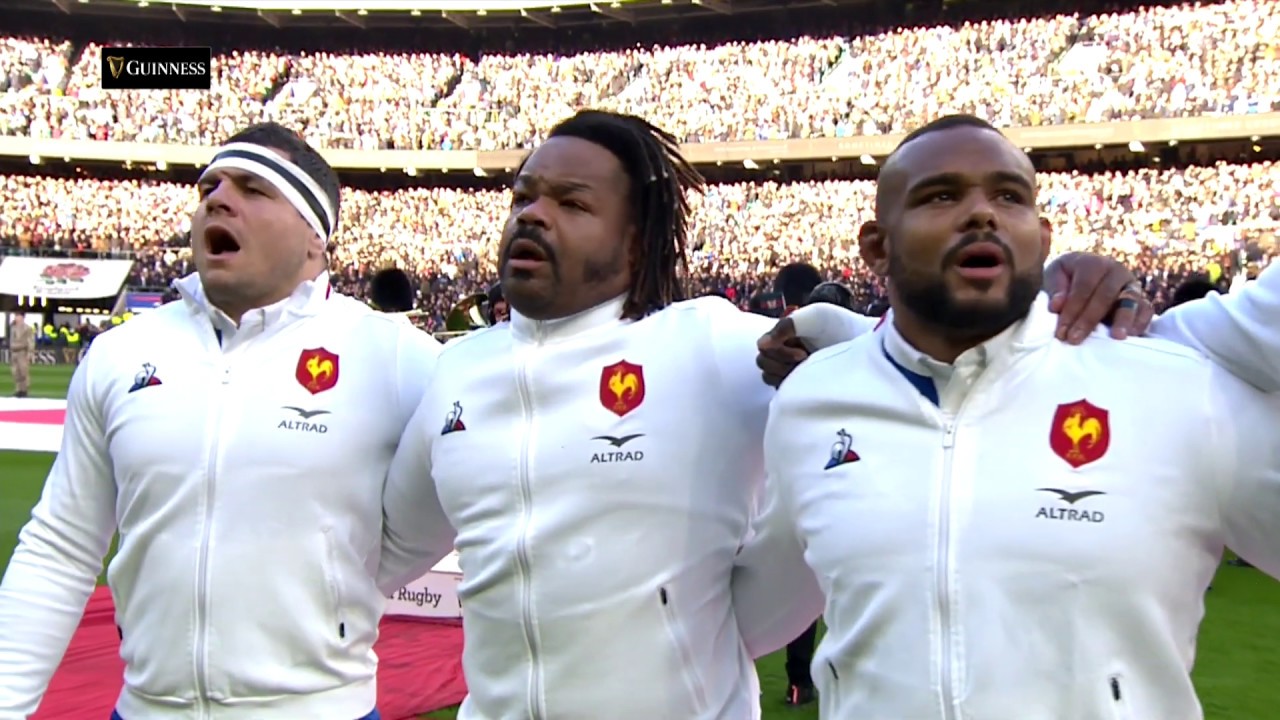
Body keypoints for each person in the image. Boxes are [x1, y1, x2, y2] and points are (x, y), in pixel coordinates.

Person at [376, 110, 1149, 720]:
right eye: (525, 197)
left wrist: (1055, 294)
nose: (534, 215)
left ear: (636, 235)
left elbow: (930, 356)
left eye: (572, 202)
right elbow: (387, 548)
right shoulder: (458, 370)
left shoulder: (713, 345)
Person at [743, 114, 1280, 719]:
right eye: (941, 195)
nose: (982, 213)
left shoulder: (1177, 390)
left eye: (1009, 196)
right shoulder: (814, 398)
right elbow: (758, 608)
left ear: (1044, 238)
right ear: (876, 247)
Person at [0, 122, 441, 719]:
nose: (217, 198)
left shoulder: (397, 357)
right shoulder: (121, 353)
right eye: (209, 185)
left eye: (254, 189)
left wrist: (339, 588)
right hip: (146, 709)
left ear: (316, 238)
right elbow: (61, 546)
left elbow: (440, 519)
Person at [8, 314, 35, 398]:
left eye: (18, 316)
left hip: (22, 352)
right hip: (14, 352)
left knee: (23, 371)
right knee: (15, 372)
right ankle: (18, 389)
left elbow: (30, 341)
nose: (16, 318)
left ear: (22, 317)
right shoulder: (13, 328)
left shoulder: (27, 328)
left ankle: (24, 390)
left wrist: (30, 353)